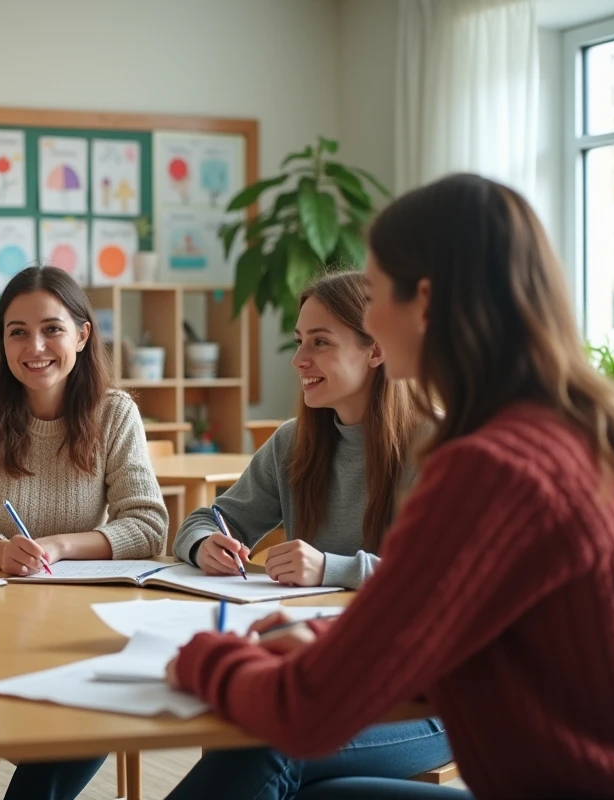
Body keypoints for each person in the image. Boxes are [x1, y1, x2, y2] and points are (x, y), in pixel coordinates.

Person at [168, 173, 614, 799]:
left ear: (425, 302)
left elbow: (305, 711)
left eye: (378, 293)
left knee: (269, 749)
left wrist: (202, 657)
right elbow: (433, 615)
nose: (375, 317)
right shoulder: (571, 434)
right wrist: (322, 640)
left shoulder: (488, 466)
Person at [166, 271, 450, 798]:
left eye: (320, 342)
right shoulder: (293, 442)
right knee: (252, 737)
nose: (299, 359)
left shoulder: (435, 444)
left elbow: (441, 586)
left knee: (272, 743)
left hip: (425, 695)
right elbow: (204, 520)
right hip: (324, 668)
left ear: (376, 350)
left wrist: (330, 567)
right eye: (300, 341)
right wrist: (205, 545)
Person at [0, 265, 167, 800]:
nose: (35, 347)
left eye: (52, 329)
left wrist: (60, 546)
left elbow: (148, 525)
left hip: (77, 620)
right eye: (18, 332)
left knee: (103, 700)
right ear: (2, 341)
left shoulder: (115, 412)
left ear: (82, 335)